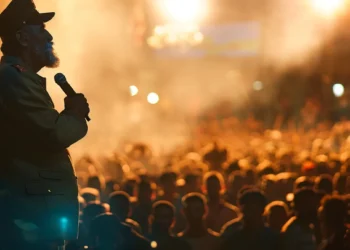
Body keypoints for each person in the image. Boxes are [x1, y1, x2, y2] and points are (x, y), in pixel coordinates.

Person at [0, 0, 90, 249]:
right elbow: (53, 133)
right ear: (23, 38)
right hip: (28, 220)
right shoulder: (13, 78)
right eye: (40, 28)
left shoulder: (20, 77)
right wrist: (75, 114)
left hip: (33, 217)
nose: (49, 35)